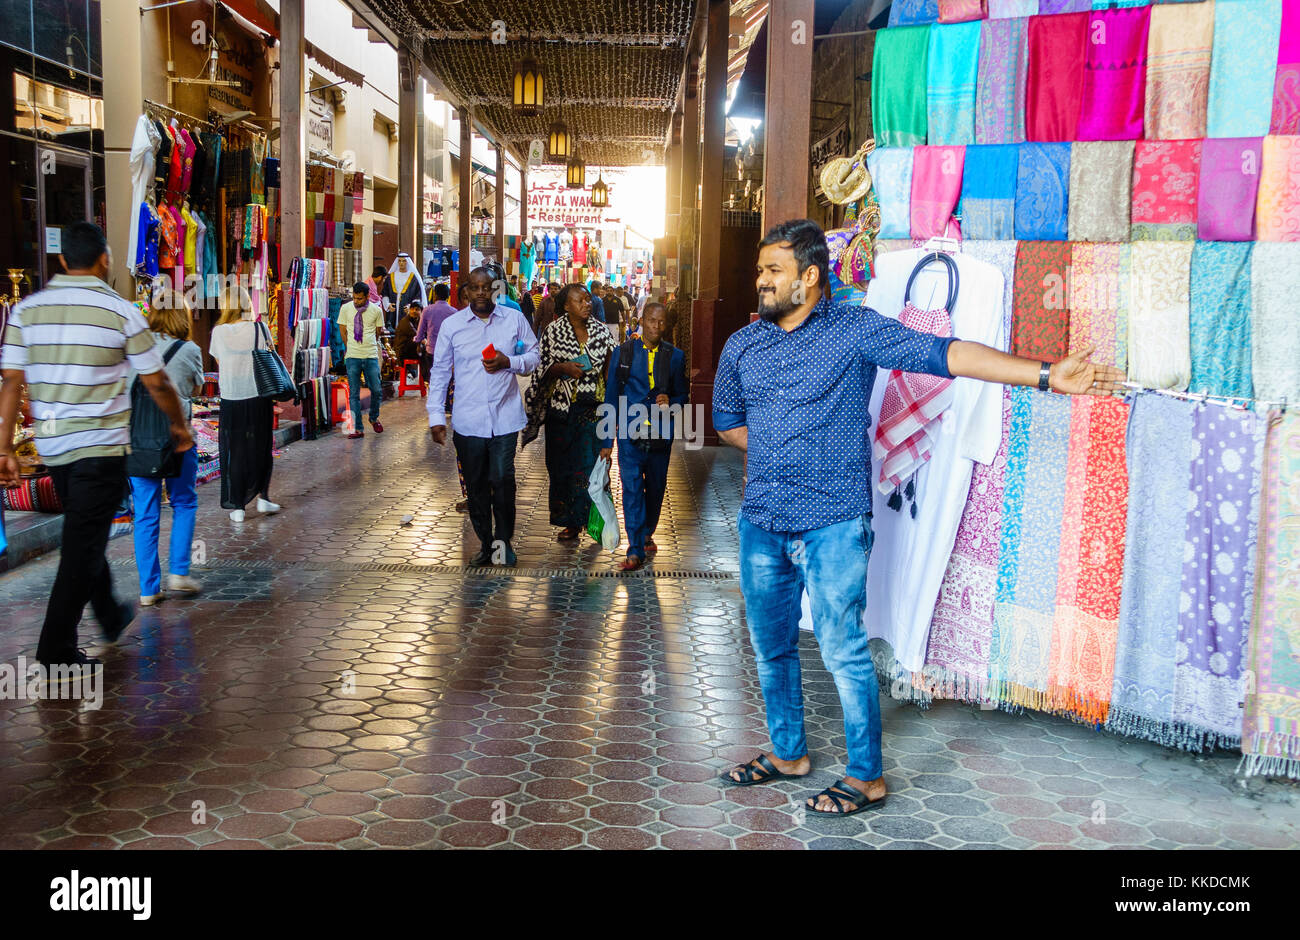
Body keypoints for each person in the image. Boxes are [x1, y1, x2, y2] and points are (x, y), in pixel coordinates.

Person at [711, 219, 1125, 815]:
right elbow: (727, 422)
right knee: (770, 645)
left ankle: (865, 776)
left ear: (809, 275)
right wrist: (788, 449)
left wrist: (1044, 373)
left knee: (842, 649)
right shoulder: (743, 345)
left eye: (773, 271)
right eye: (760, 271)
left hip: (833, 523)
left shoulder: (855, 330)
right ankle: (788, 753)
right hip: (762, 522)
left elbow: (947, 355)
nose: (762, 282)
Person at [0, 221, 193, 670]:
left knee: (84, 535)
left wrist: (5, 447)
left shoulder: (27, 311)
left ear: (62, 260)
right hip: (101, 449)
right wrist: (178, 428)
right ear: (104, 259)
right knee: (82, 544)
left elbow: (11, 380)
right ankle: (55, 653)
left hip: (54, 449)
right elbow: (157, 380)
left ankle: (109, 613)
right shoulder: (120, 310)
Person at [427, 267, 539, 566]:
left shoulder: (513, 319)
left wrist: (509, 362)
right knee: (476, 486)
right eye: (474, 288)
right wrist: (436, 416)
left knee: (502, 481)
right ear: (466, 292)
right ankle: (486, 545)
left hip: (504, 418)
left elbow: (534, 356)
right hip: (468, 420)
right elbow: (439, 372)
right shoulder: (453, 326)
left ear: (495, 289)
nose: (480, 292)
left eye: (486, 287)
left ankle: (503, 545)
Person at [522, 283, 615, 543]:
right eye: (580, 301)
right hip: (561, 412)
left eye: (588, 300)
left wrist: (613, 411)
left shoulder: (602, 332)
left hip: (593, 412)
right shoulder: (552, 332)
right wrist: (562, 367)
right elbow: (540, 369)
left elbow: (611, 372)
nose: (587, 304)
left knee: (591, 468)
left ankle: (593, 521)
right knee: (561, 467)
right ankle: (571, 522)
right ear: (566, 306)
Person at [599, 302, 687, 571]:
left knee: (656, 488)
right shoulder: (623, 353)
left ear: (666, 325)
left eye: (661, 322)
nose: (656, 327)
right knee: (632, 488)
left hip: (660, 434)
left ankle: (648, 530)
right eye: (651, 320)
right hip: (629, 434)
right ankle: (635, 548)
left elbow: (684, 395)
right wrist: (606, 441)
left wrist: (671, 400)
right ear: (641, 320)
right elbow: (612, 396)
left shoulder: (675, 356)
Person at [129, 302, 206, 606]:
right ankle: (179, 572)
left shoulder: (134, 348)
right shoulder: (189, 349)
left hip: (138, 439)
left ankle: (148, 590)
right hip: (178, 436)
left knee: (145, 514)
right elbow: (197, 391)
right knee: (184, 502)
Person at [210, 307, 281, 523]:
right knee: (262, 446)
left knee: (236, 450)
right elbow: (269, 357)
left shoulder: (219, 332)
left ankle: (238, 506)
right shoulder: (260, 328)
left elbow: (220, 362)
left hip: (232, 397)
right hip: (259, 394)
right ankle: (263, 496)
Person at [337, 282, 386, 439]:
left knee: (377, 390)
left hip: (370, 355)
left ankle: (373, 417)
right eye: (355, 298)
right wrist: (350, 347)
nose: (356, 301)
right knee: (354, 394)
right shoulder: (345, 309)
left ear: (367, 297)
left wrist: (368, 344)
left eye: (359, 298)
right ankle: (358, 428)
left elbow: (378, 333)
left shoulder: (376, 311)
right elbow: (343, 331)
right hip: (352, 357)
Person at [416, 282, 458, 389]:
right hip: (448, 351)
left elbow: (420, 332)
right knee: (447, 379)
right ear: (448, 296)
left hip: (432, 350)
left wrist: (418, 342)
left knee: (434, 378)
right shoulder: (453, 312)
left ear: (435, 295)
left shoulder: (427, 310)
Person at [381, 252, 426, 332]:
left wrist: (411, 306)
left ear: (407, 262)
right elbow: (385, 293)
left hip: (407, 310)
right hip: (393, 310)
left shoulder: (413, 277)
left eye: (404, 261)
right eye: (400, 261)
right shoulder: (391, 276)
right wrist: (387, 305)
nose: (401, 263)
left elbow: (417, 295)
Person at [394, 298, 425, 384]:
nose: (414, 311)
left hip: (411, 350)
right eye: (412, 309)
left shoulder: (419, 321)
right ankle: (425, 376)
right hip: (403, 352)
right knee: (425, 351)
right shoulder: (405, 322)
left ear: (421, 312)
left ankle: (422, 375)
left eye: (417, 309)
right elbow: (417, 336)